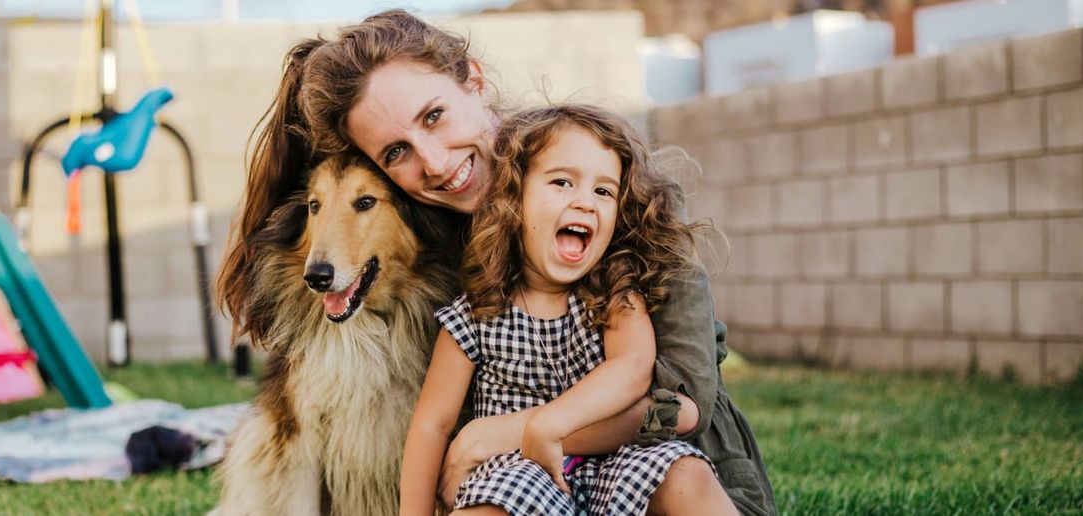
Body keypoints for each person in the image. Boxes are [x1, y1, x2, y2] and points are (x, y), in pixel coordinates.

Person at [217, 9, 776, 515]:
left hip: (669, 473)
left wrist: (510, 432)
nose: (433, 163)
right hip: (515, 488)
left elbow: (683, 407)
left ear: (474, 82)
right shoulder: (435, 240)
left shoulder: (608, 195)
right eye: (396, 152)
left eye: (433, 117)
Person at [400, 104, 736, 515]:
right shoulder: (475, 314)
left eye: (604, 191)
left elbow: (632, 368)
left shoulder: (614, 292)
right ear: (514, 197)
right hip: (516, 471)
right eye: (562, 182)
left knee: (685, 473)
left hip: (617, 462)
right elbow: (431, 425)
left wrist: (550, 423)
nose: (585, 203)